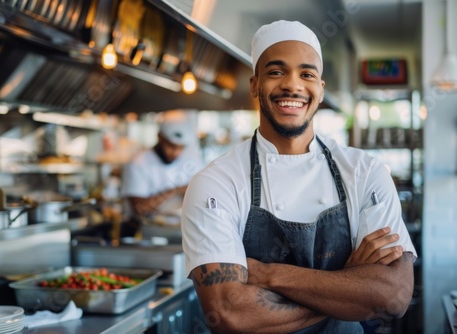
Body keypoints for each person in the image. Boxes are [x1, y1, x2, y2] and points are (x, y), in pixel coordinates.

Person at [181, 20, 417, 333]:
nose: (293, 85)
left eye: (307, 74)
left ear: (320, 89)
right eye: (276, 72)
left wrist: (266, 274)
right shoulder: (215, 183)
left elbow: (394, 296)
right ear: (254, 85)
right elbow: (230, 314)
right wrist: (348, 288)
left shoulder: (365, 172)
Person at [121, 111, 203, 239]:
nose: (175, 152)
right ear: (160, 137)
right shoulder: (138, 162)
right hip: (147, 233)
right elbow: (140, 208)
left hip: (184, 231)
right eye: (171, 146)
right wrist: (177, 190)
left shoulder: (191, 160)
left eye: (180, 147)